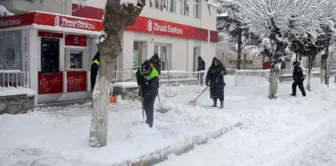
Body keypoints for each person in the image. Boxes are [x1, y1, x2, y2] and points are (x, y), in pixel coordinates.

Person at [136, 60, 160, 128]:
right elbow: (138, 74)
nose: (144, 72)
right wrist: (139, 80)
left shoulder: (154, 74)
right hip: (144, 87)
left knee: (149, 106)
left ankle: (150, 122)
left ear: (149, 69)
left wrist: (143, 84)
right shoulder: (141, 68)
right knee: (145, 106)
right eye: (144, 71)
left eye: (146, 71)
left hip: (152, 90)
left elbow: (150, 89)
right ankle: (147, 119)